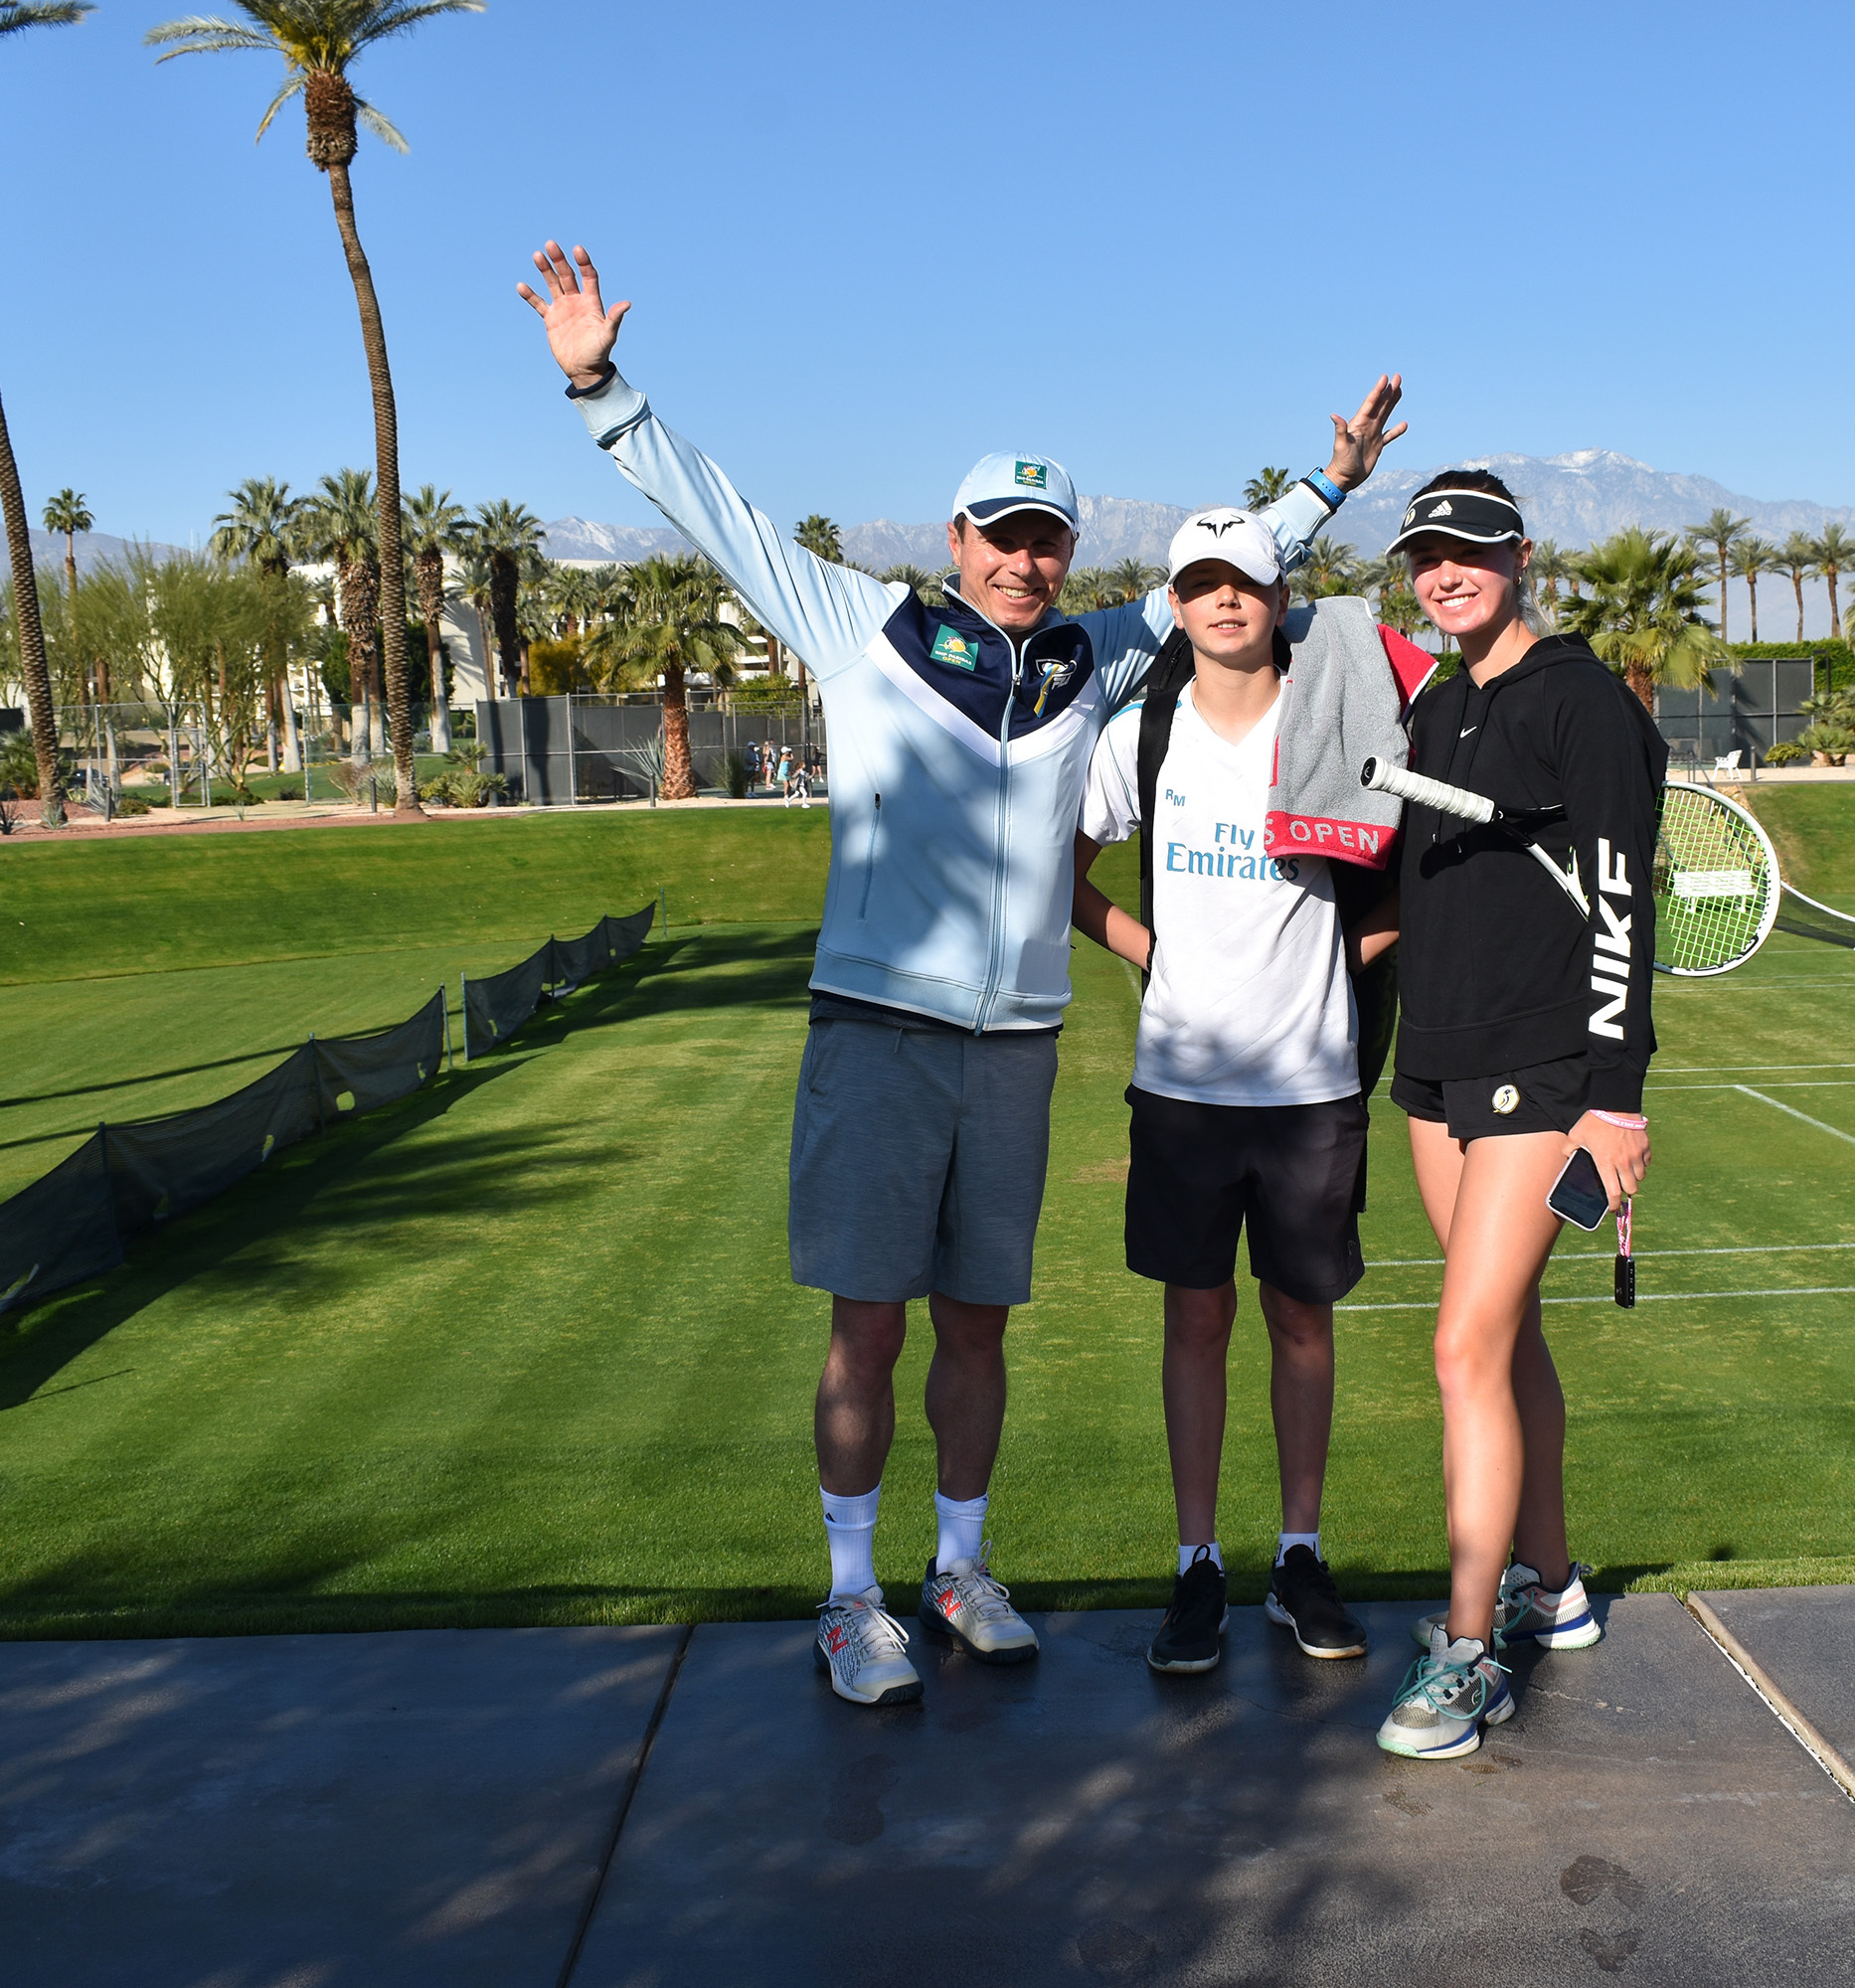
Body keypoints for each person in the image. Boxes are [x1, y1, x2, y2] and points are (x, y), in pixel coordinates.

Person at [520, 242, 1406, 1709]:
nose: (1023, 558)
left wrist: (1331, 490)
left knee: (978, 1325)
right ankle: (851, 1594)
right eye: (1000, 533)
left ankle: (960, 1567)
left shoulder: (1094, 658)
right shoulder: (859, 626)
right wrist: (599, 386)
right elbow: (718, 515)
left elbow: (1226, 586)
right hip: (878, 1032)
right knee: (867, 1321)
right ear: (953, 537)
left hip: (1016, 1052)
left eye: (1045, 538)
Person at [1074, 512, 1411, 1676]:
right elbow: (1062, 871)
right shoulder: (1142, 736)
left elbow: (1406, 879)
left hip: (1312, 1084)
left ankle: (1300, 1553)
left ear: (1280, 595)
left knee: (1302, 1320)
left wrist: (1330, 963)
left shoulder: (1338, 720)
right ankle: (1197, 1563)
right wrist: (1146, 948)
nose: (1226, 600)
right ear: (1174, 605)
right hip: (1182, 1086)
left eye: (1247, 581)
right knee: (1196, 1318)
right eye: (1201, 584)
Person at [1368, 470, 1665, 1761]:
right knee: (1502, 1338)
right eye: (1429, 555)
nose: (1448, 574)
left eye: (1471, 553)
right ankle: (1558, 1583)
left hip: (1548, 1077)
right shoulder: (1440, 702)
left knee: (1458, 1350)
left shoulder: (1584, 703)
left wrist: (1616, 1102)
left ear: (1521, 557)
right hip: (1434, 1069)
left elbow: (1616, 910)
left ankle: (1474, 1650)